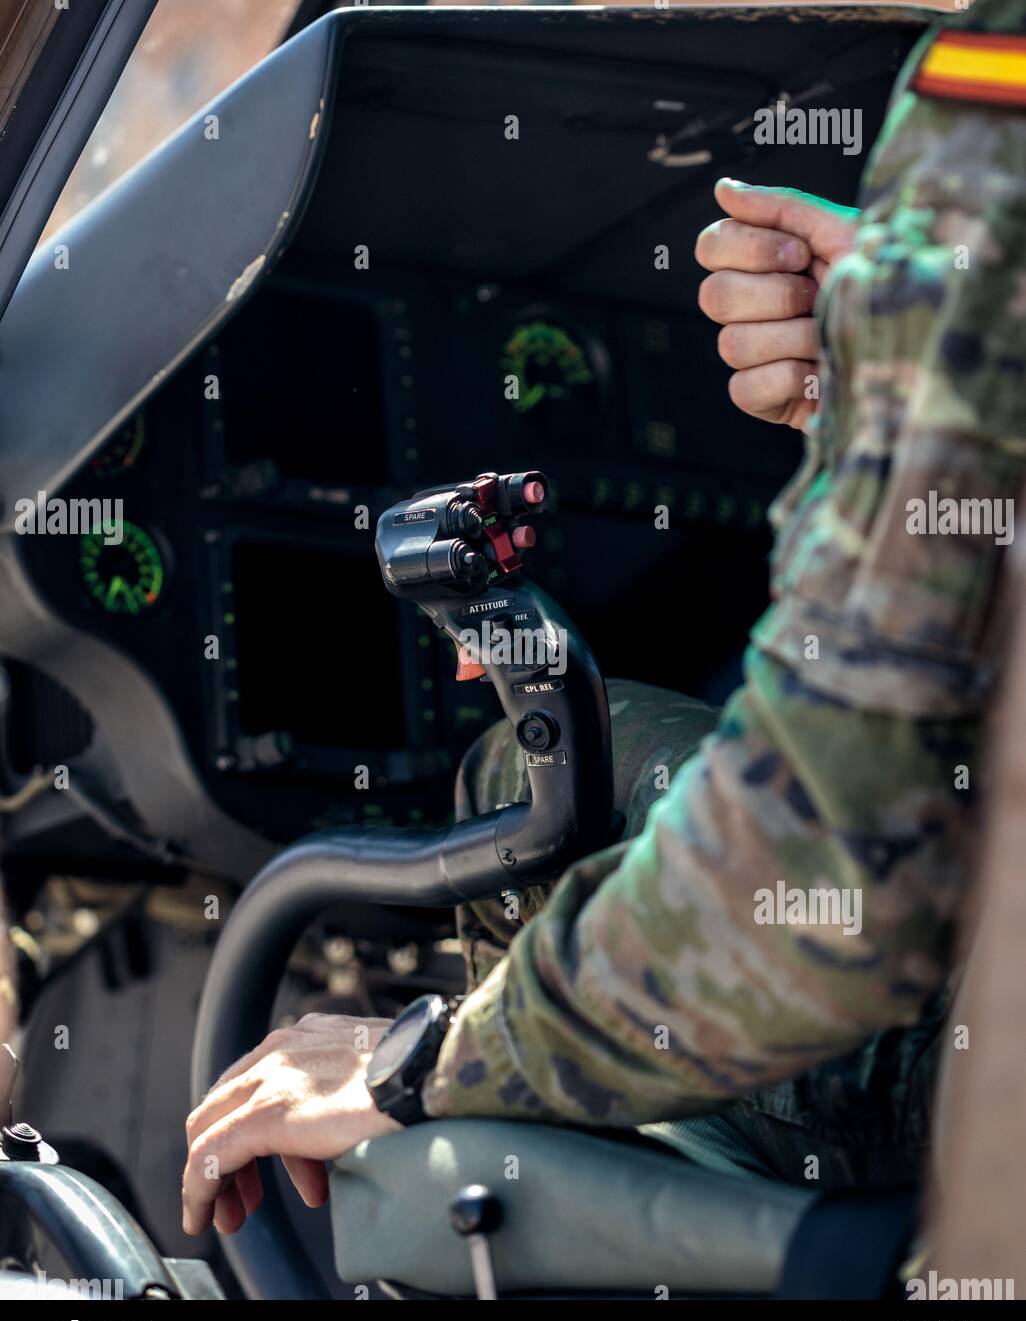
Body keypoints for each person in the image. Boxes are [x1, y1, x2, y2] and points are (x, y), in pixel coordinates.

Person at [181, 0, 1026, 1238]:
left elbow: (835, 865)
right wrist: (919, 385)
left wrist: (429, 1060)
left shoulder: (992, 88)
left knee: (520, 776)